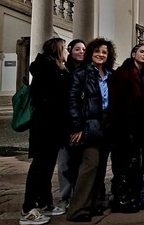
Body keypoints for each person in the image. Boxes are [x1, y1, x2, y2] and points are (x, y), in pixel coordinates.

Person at [20, 38, 71, 225]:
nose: (67, 51)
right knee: (39, 167)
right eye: (65, 48)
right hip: (45, 127)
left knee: (47, 166)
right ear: (57, 50)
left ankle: (45, 203)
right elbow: (52, 99)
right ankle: (28, 209)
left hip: (52, 127)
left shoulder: (53, 69)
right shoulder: (48, 70)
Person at [66, 38, 116, 222]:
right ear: (90, 53)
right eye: (97, 51)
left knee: (101, 167)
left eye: (104, 52)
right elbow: (72, 101)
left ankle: (94, 204)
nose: (101, 55)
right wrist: (76, 126)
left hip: (106, 123)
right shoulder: (81, 73)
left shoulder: (110, 74)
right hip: (89, 123)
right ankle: (78, 209)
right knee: (90, 165)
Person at [108, 43, 144, 213]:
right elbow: (118, 102)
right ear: (134, 53)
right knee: (123, 165)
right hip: (124, 126)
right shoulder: (124, 73)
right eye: (142, 52)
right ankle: (120, 199)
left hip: (139, 128)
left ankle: (132, 196)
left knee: (136, 164)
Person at [56, 39, 86, 210]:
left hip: (82, 123)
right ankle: (65, 196)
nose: (81, 52)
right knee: (65, 162)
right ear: (69, 51)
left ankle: (79, 196)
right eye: (77, 49)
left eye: (83, 49)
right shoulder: (64, 72)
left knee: (81, 162)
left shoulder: (87, 71)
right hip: (67, 124)